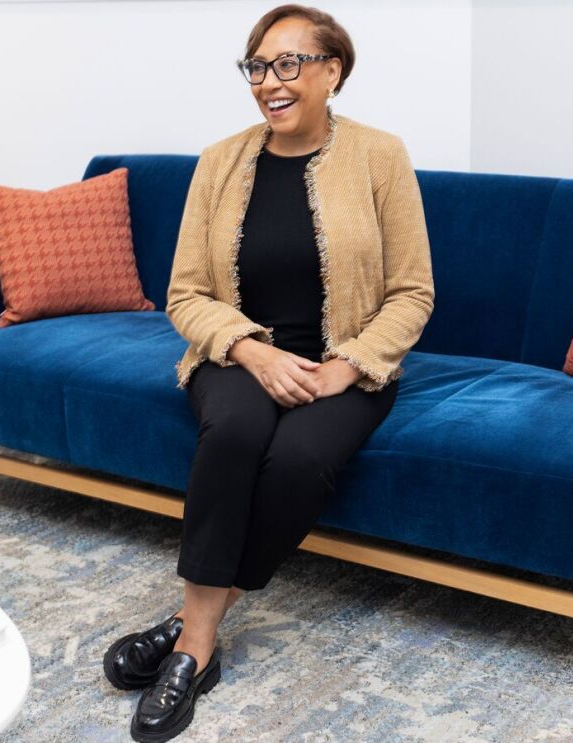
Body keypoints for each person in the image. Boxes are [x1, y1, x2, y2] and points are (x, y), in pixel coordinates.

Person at [103, 5, 435, 740]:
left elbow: (414, 290)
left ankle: (194, 618)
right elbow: (186, 291)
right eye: (257, 66)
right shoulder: (220, 160)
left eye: (287, 63)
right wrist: (248, 347)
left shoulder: (381, 155)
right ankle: (196, 647)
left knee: (300, 459)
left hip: (343, 360)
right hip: (237, 354)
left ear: (331, 72)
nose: (268, 82)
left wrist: (350, 364)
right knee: (233, 433)